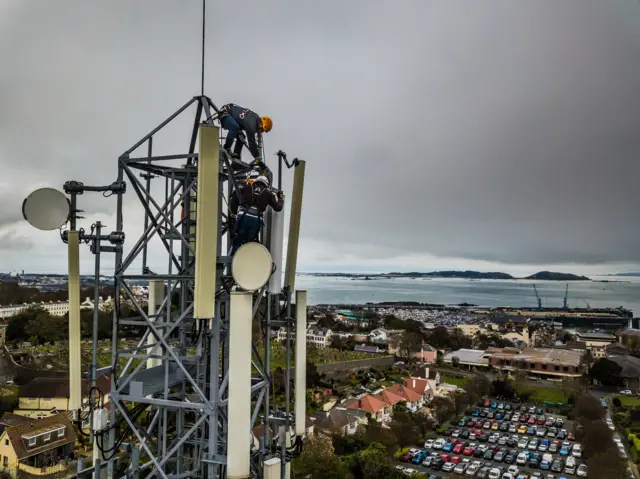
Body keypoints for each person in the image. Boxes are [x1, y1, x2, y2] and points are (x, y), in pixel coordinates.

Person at [229, 175, 283, 255]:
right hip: (256, 219)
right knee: (250, 242)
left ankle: (234, 257)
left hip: (243, 216)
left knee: (237, 239)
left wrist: (232, 215)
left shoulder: (248, 187)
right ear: (266, 184)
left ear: (256, 181)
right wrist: (280, 198)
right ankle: (248, 259)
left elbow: (235, 195)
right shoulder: (268, 193)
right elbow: (278, 208)